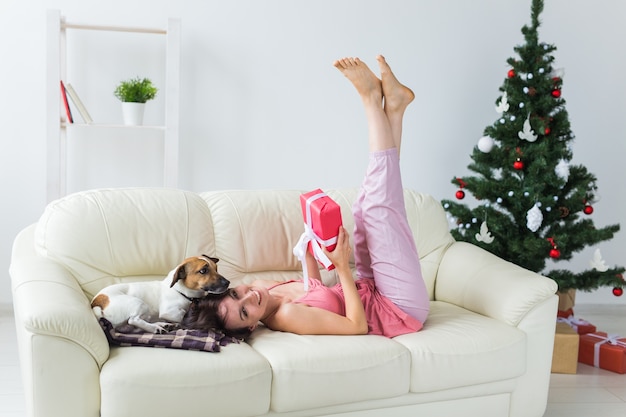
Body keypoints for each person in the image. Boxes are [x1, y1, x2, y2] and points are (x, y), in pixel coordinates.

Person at [183, 55, 430, 338]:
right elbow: (357, 327)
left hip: (371, 288)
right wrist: (340, 266)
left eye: (237, 293)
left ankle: (395, 108)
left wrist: (311, 246)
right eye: (244, 312)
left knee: (364, 207)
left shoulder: (265, 286)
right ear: (251, 326)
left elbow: (315, 291)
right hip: (398, 308)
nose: (250, 298)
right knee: (377, 209)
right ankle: (371, 99)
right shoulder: (286, 316)